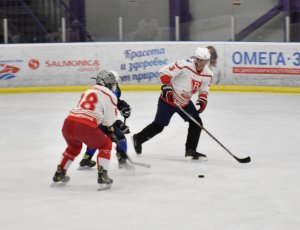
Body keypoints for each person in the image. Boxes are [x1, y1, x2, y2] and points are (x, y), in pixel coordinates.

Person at [132, 47, 213, 160]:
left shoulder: (208, 74)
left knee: (197, 123)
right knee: (159, 126)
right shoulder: (184, 65)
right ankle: (138, 138)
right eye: (200, 60)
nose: (202, 63)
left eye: (205, 61)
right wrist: (167, 87)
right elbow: (164, 71)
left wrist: (203, 99)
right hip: (168, 101)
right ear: (196, 58)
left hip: (184, 102)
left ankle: (190, 150)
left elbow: (204, 88)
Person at [52, 70, 127, 190]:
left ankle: (59, 173)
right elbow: (109, 121)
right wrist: (111, 131)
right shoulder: (110, 95)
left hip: (68, 123)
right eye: (113, 83)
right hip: (84, 126)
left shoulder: (89, 91)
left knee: (73, 148)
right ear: (107, 83)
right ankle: (103, 176)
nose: (114, 85)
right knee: (106, 144)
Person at [78, 72, 134, 171]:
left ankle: (86, 159)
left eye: (116, 83)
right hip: (99, 119)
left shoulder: (102, 90)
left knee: (96, 139)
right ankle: (122, 160)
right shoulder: (104, 93)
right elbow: (106, 113)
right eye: (113, 83)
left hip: (91, 120)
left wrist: (123, 106)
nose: (115, 85)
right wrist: (119, 124)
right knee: (120, 137)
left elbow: (115, 101)